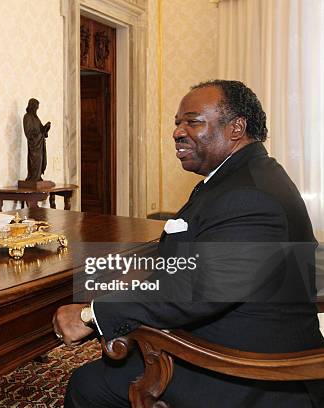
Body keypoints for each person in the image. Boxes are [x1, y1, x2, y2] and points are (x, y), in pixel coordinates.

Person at [54, 80, 324, 407]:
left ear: (236, 127)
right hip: (235, 339)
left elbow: (197, 290)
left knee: (88, 384)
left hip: (252, 373)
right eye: (177, 123)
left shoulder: (248, 195)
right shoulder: (242, 176)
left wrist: (91, 314)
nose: (178, 132)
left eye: (193, 121)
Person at [23, 98, 51, 182]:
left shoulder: (36, 118)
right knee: (35, 161)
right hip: (34, 146)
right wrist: (39, 134)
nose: (36, 110)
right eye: (35, 107)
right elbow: (29, 133)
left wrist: (46, 128)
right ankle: (33, 177)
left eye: (37, 108)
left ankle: (38, 177)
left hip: (40, 145)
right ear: (31, 106)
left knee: (40, 161)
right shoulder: (27, 117)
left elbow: (41, 130)